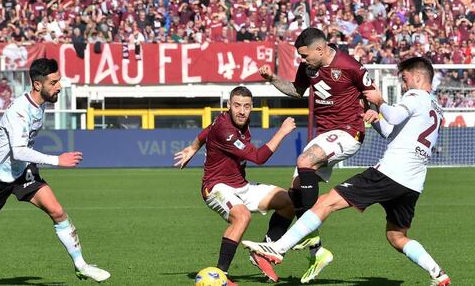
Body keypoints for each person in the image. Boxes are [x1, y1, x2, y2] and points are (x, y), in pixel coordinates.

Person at [243, 57, 451, 286]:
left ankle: (276, 248)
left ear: (418, 77)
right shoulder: (435, 107)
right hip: (412, 184)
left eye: (405, 79)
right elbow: (393, 133)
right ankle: (438, 274)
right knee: (396, 236)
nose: (403, 85)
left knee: (326, 202)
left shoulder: (415, 96)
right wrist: (375, 119)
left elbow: (393, 115)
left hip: (390, 173)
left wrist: (379, 101)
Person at [0, 58, 110, 286]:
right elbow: (18, 151)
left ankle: (81, 265)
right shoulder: (20, 110)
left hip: (22, 172)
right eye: (54, 82)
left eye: (59, 81)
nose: (59, 86)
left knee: (57, 211)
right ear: (38, 85)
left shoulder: (41, 103)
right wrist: (58, 160)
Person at [256, 27, 378, 282]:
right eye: (300, 56)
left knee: (304, 161)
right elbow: (296, 90)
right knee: (296, 190)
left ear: (320, 49)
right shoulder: (308, 67)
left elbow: (372, 93)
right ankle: (317, 253)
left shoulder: (349, 66)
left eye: (305, 55)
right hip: (325, 135)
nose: (302, 60)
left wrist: (376, 111)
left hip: (348, 132)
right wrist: (272, 78)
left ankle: (307, 233)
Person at [174, 86, 297, 285]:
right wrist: (282, 132)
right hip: (216, 187)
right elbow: (258, 157)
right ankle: (221, 275)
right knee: (242, 216)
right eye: (237, 105)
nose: (241, 111)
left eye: (246, 106)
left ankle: (264, 253)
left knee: (289, 202)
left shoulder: (231, 120)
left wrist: (193, 147)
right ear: (229, 106)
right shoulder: (226, 130)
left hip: (241, 186)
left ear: (252, 107)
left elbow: (207, 130)